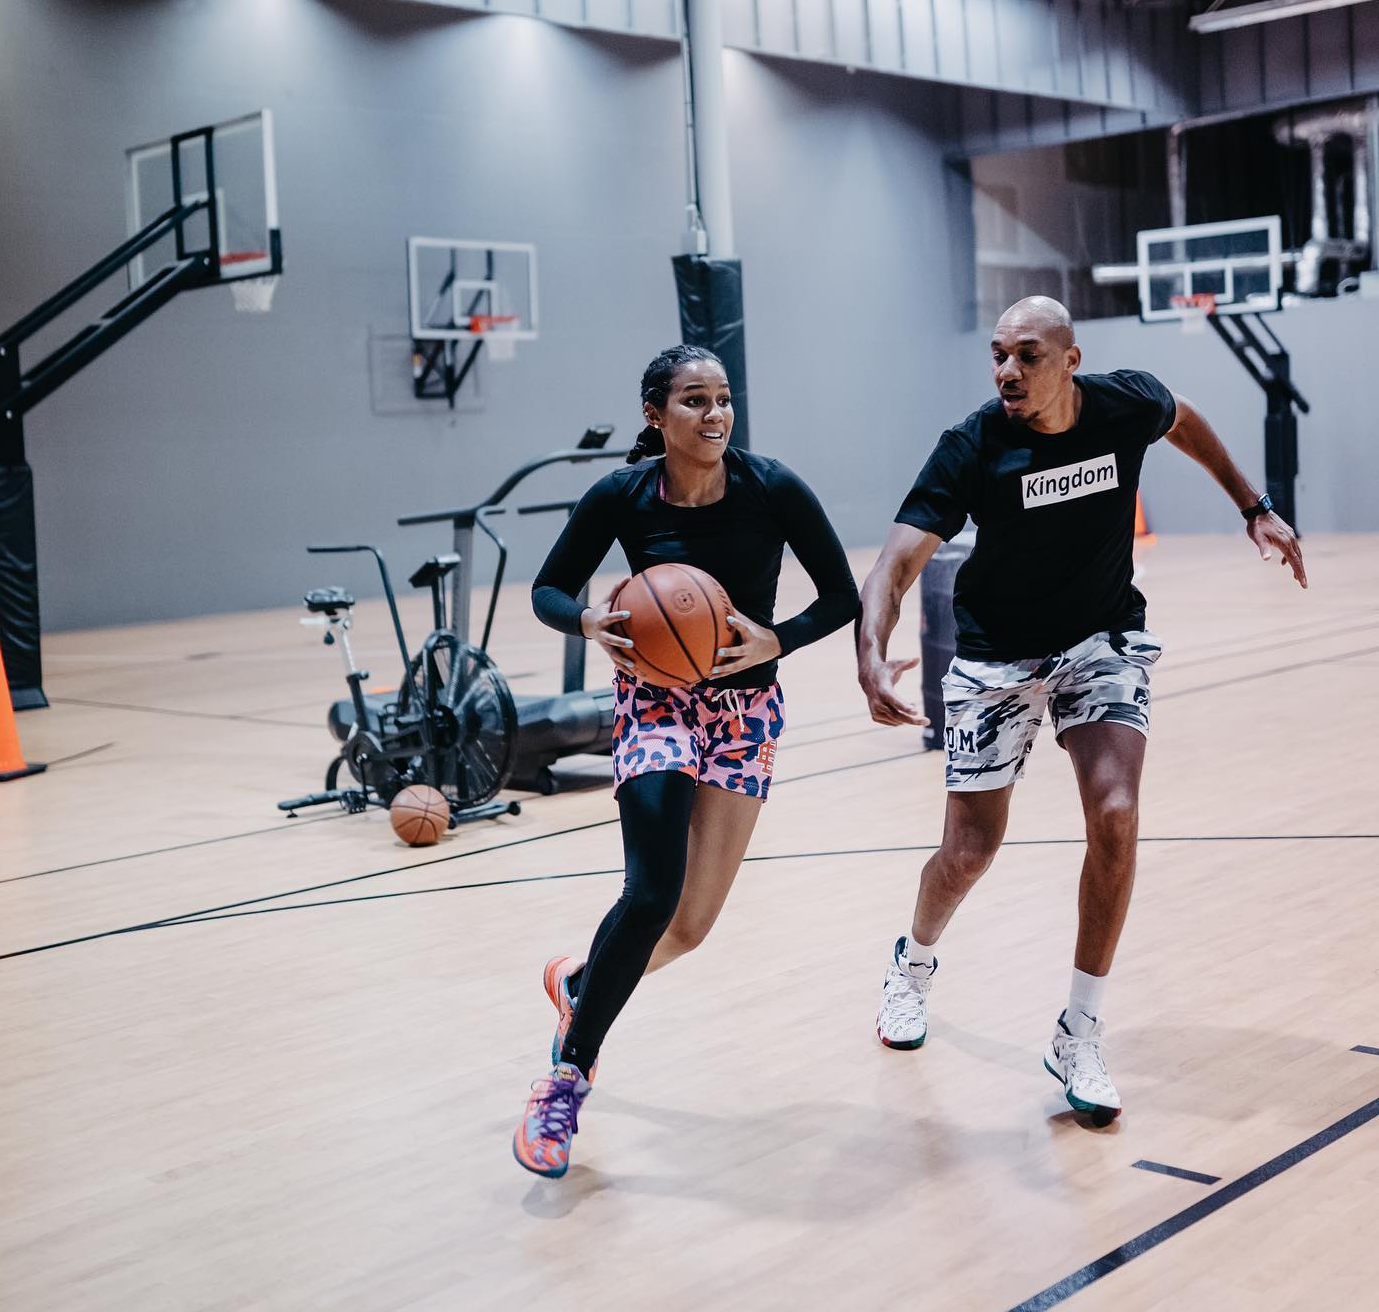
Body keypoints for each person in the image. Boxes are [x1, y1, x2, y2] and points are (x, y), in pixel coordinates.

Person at [856, 296, 1306, 1125]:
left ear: (1069, 358)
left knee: (1118, 813)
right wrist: (871, 650)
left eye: (1026, 354)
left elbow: (1185, 418)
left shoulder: (1123, 401)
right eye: (997, 354)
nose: (1007, 371)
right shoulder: (974, 444)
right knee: (968, 852)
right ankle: (912, 964)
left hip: (1099, 639)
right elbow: (893, 563)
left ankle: (1081, 1027)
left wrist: (1254, 505)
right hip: (996, 654)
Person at [512, 344, 859, 1177]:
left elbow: (842, 593)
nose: (715, 415)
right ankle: (565, 1078)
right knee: (652, 888)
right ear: (655, 415)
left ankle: (583, 979)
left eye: (724, 399)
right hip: (658, 703)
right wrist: (588, 621)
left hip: (746, 711)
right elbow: (548, 589)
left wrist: (781, 637)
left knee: (691, 926)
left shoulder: (771, 486)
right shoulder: (621, 495)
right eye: (695, 401)